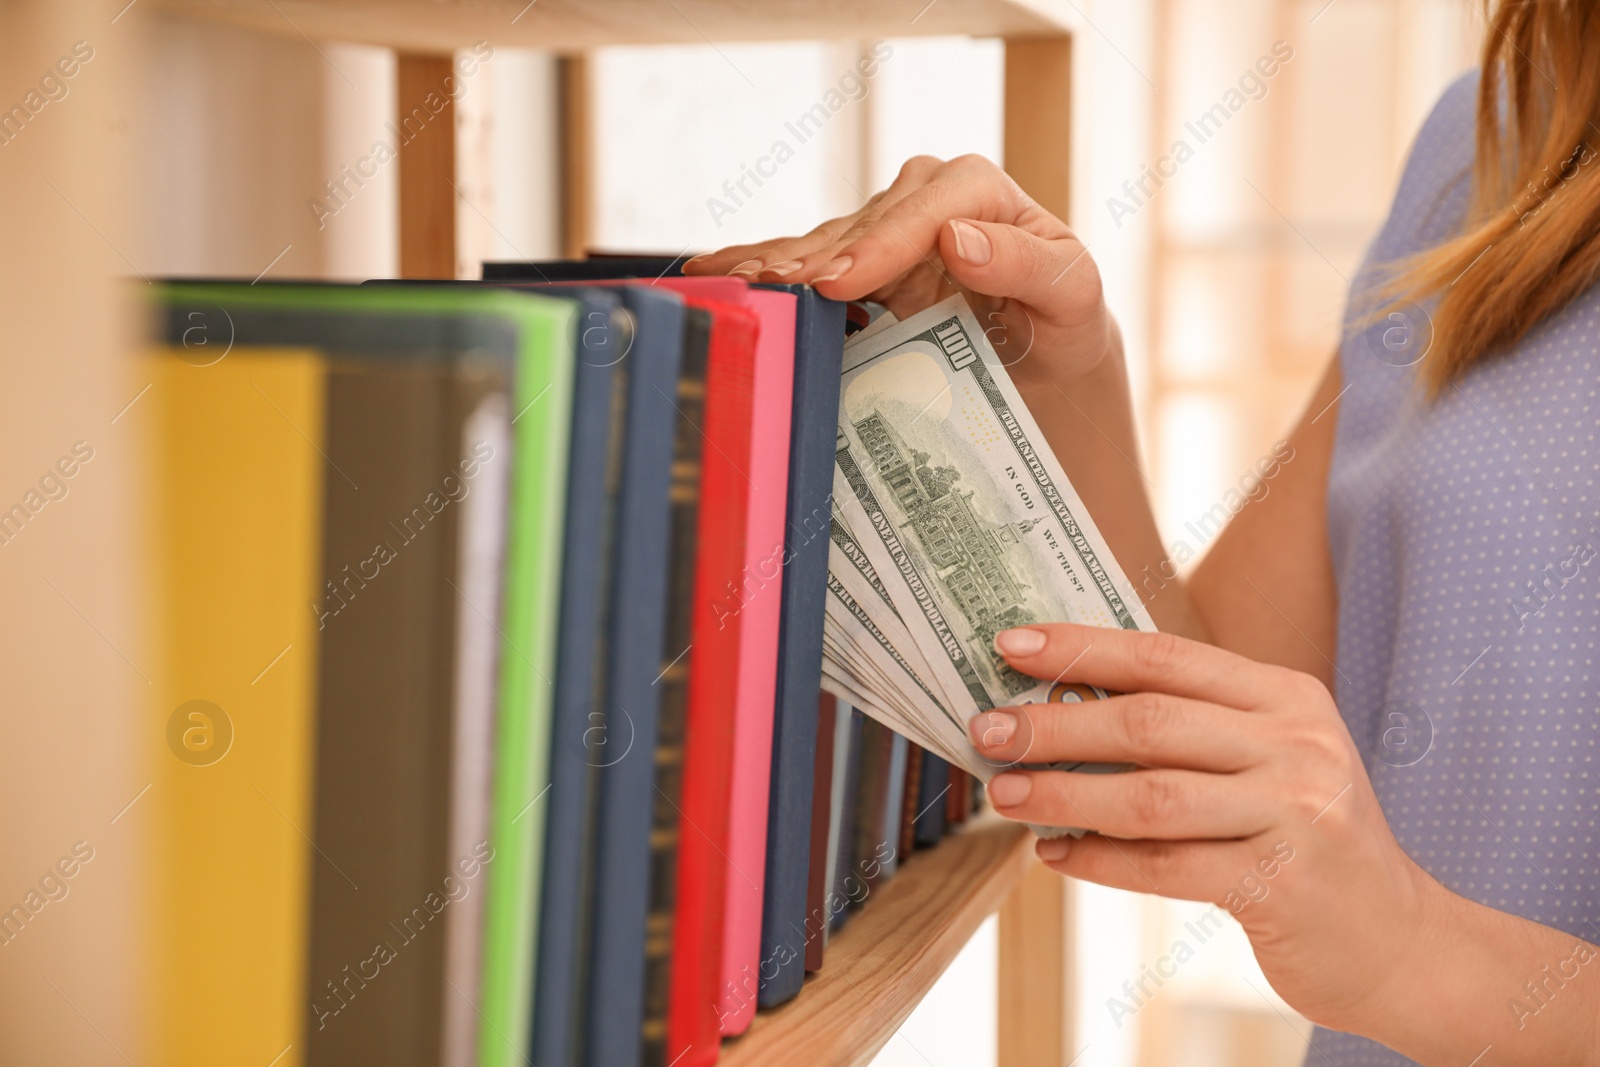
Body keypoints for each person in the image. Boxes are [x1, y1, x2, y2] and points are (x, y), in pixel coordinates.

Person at [686, 4, 1600, 1064]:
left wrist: (1409, 951)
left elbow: (1373, 913)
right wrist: (1055, 377)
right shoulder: (1500, 138)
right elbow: (1221, 725)